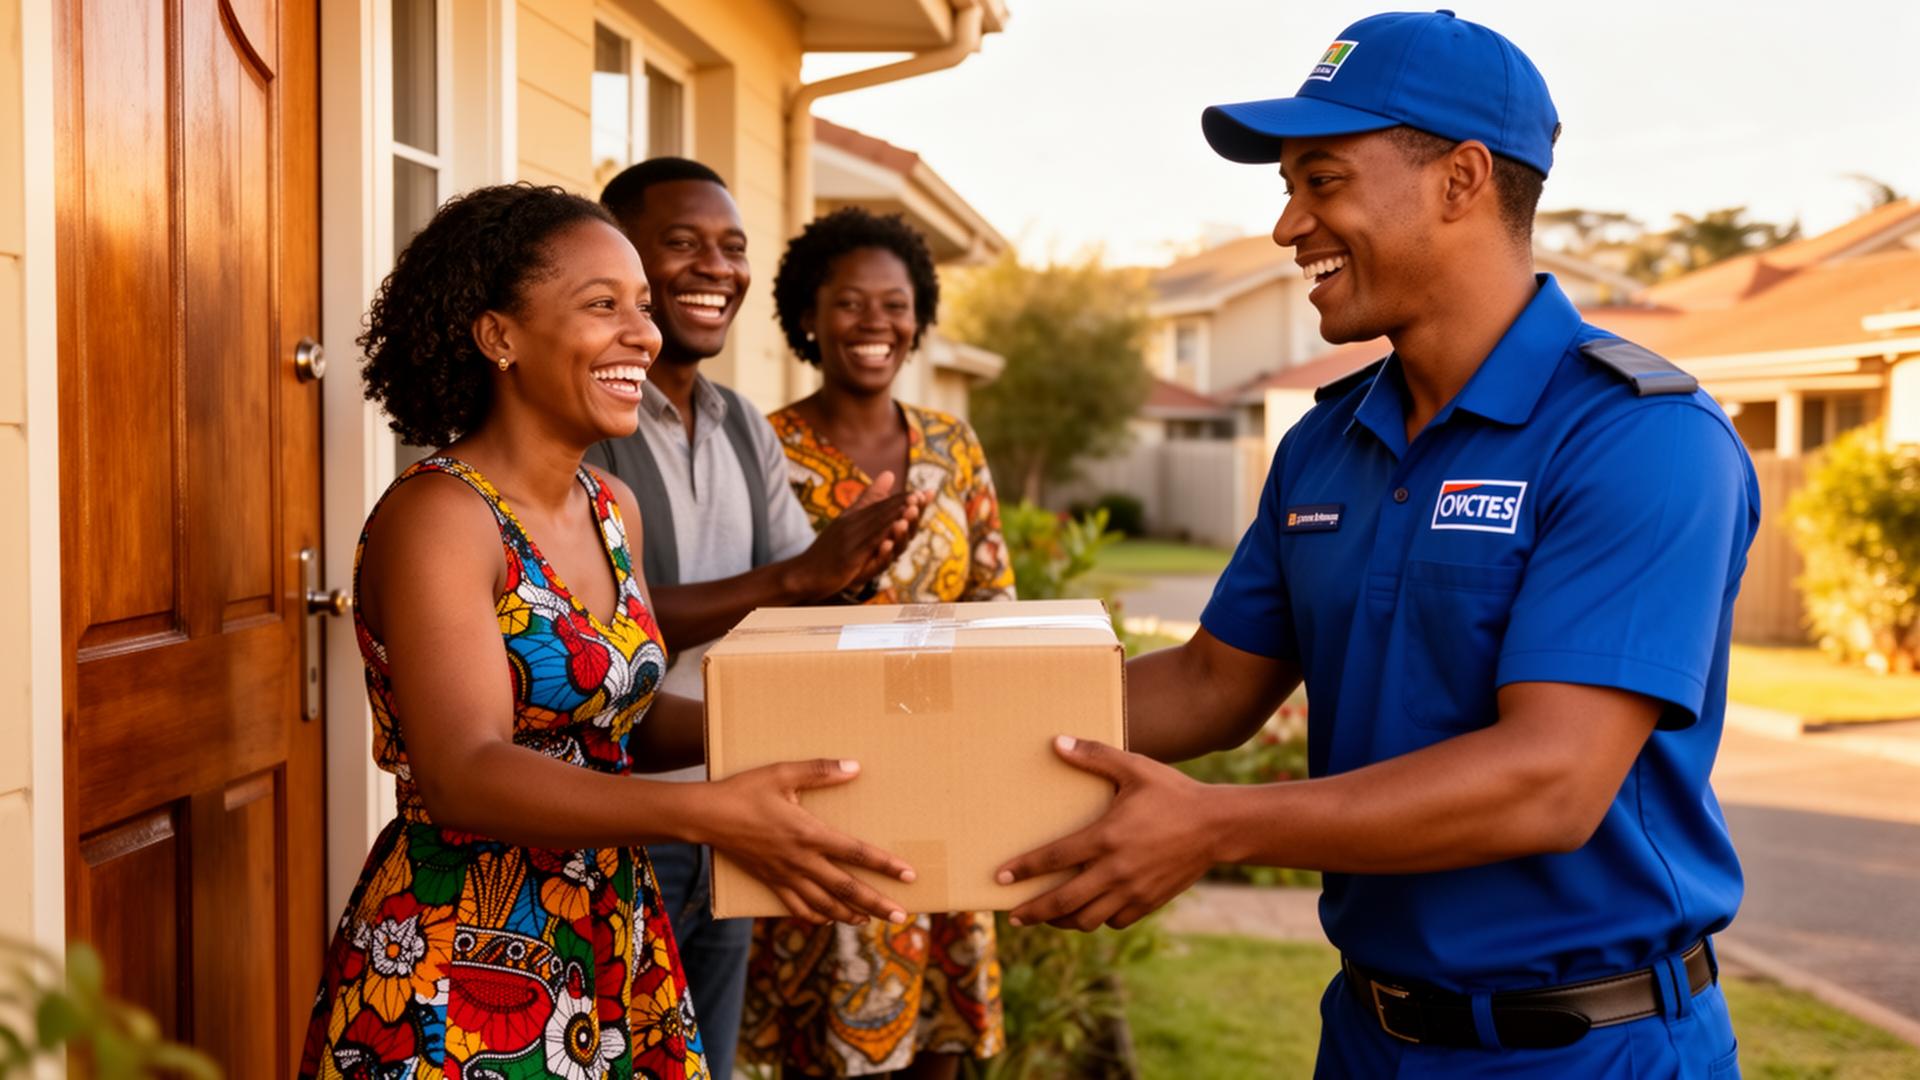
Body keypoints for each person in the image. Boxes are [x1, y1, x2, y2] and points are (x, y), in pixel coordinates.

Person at [995, 12, 1758, 1077]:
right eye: (1287, 188)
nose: (1287, 225)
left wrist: (1216, 826)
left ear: (1460, 180)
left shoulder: (1639, 439)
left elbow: (1551, 777)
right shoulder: (1326, 442)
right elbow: (1213, 684)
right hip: (1368, 1035)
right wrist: (951, 729)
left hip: (1589, 1048)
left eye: (1322, 181)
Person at [300, 183, 917, 1079]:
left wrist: (797, 732)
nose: (644, 334)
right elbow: (465, 770)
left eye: (642, 307)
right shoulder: (441, 516)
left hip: (612, 932)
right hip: (463, 956)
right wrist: (708, 813)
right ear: (499, 336)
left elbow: (621, 718)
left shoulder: (611, 506)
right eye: (603, 306)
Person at [584, 159, 926, 1079]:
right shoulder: (592, 420)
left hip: (736, 806)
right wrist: (800, 575)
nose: (716, 267)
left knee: (708, 1065)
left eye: (732, 247)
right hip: (623, 810)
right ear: (621, 261)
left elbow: (797, 595)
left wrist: (854, 567)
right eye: (682, 243)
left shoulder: (742, 424)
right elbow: (605, 634)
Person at [739, 207, 1013, 1079]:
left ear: (917, 319)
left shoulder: (953, 446)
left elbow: (994, 601)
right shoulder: (765, 447)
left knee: (939, 1048)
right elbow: (745, 616)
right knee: (824, 1040)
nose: (875, 323)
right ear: (807, 317)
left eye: (895, 305)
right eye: (850, 302)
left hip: (943, 770)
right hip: (819, 781)